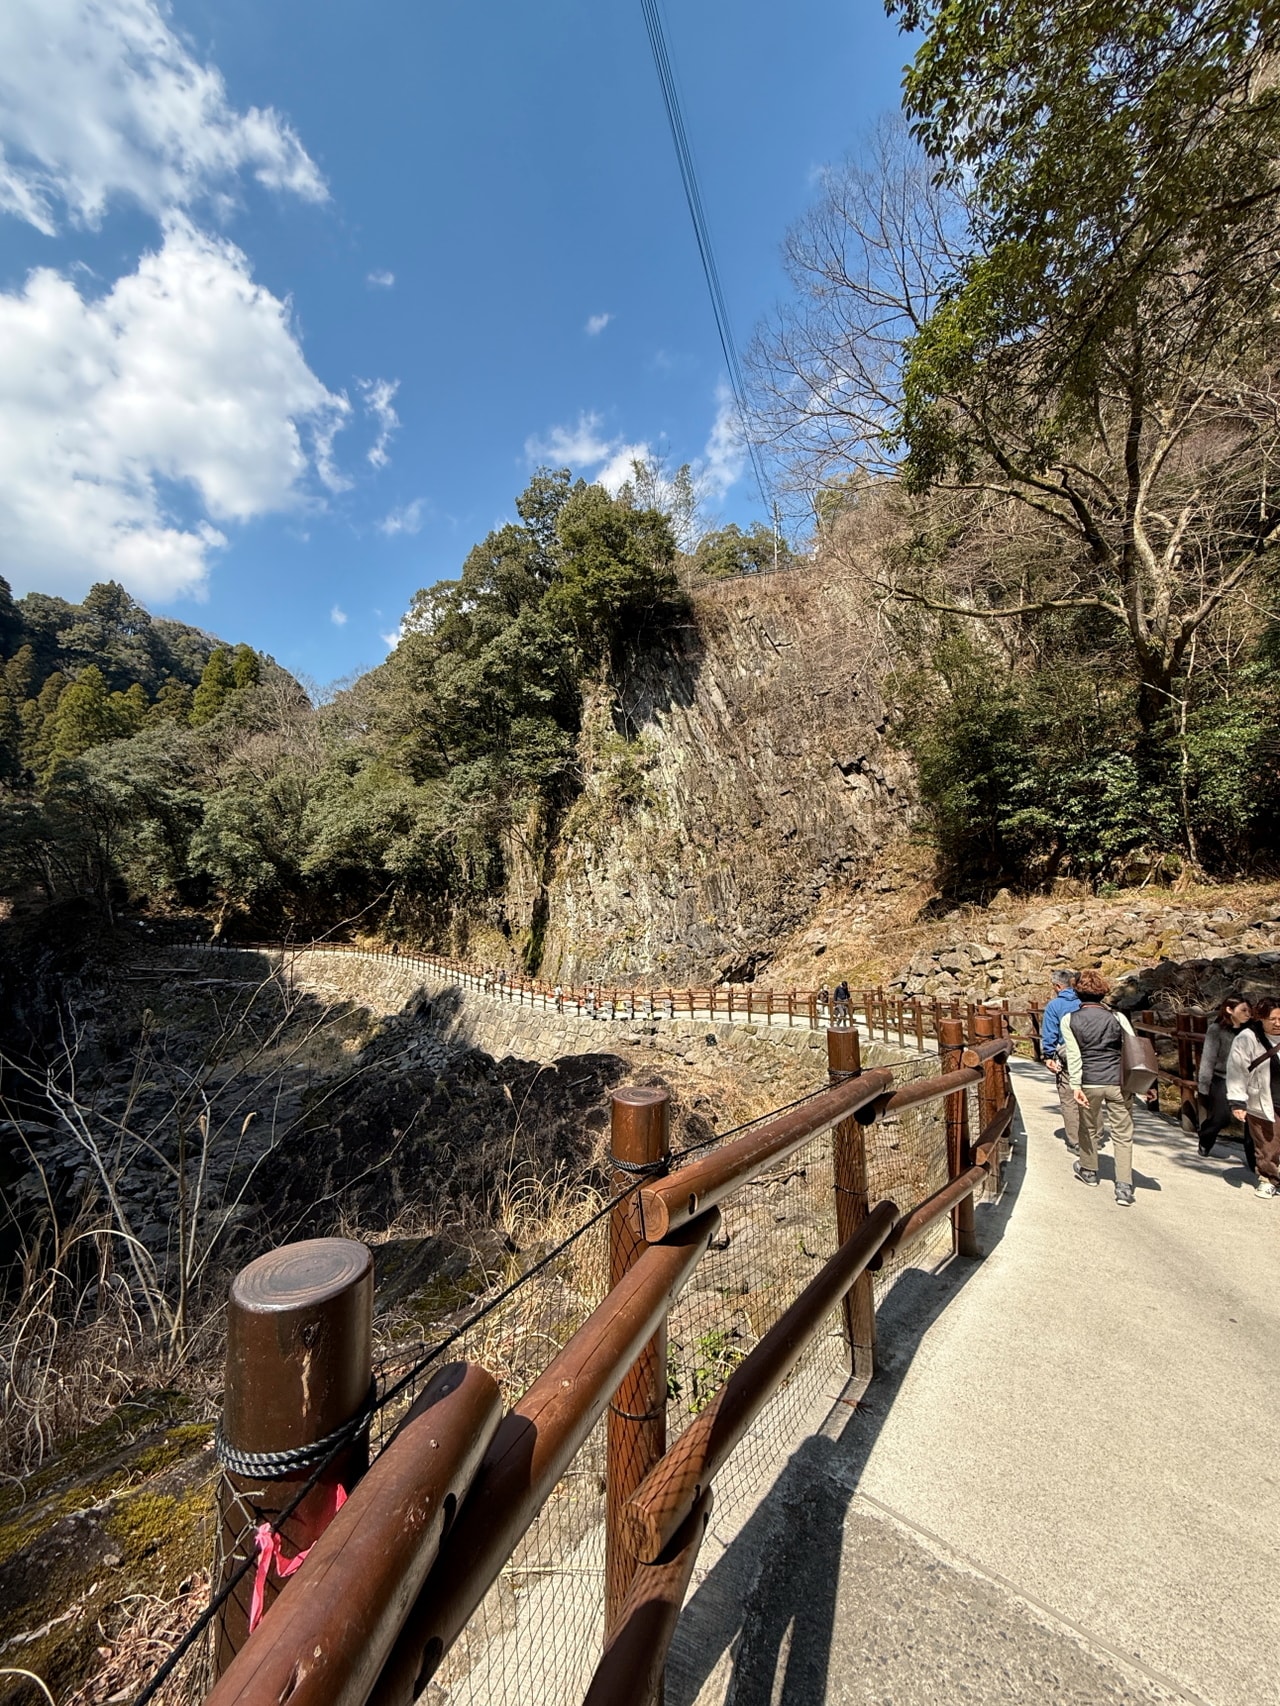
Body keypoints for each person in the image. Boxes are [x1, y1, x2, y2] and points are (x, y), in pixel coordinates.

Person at [1060, 970, 1139, 1206]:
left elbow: (1073, 1056)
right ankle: (1124, 1185)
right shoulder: (1117, 1017)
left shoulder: (1070, 1020)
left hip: (1089, 1081)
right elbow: (1133, 1049)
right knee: (1123, 1134)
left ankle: (1090, 1170)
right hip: (1117, 1081)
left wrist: (1075, 1085)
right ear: (1103, 992)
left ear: (1077, 993)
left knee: (1088, 1128)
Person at [1226, 997, 1280, 1198]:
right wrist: (1237, 1101)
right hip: (1262, 1099)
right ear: (1261, 1018)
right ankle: (1268, 1179)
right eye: (1272, 1019)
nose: (1277, 1023)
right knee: (1268, 1145)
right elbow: (1236, 1071)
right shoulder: (1247, 1038)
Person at [1196, 995, 1254, 1165]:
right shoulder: (1217, 1030)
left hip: (1249, 1081)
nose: (1248, 1014)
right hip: (1222, 1078)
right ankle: (1206, 1137)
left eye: (1249, 1010)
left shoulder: (1252, 1031)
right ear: (1229, 1010)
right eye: (1243, 1010)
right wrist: (1204, 1085)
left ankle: (1253, 1160)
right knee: (1222, 1117)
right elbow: (1208, 1059)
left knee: (1252, 1121)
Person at [1040, 969, 1082, 1151]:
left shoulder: (1054, 1006)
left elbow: (1050, 1034)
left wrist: (1048, 1056)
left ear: (1058, 986)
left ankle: (1075, 1140)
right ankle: (1093, 1135)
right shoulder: (1085, 1001)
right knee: (1089, 1096)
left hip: (1067, 1056)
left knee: (1068, 1098)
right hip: (1091, 1056)